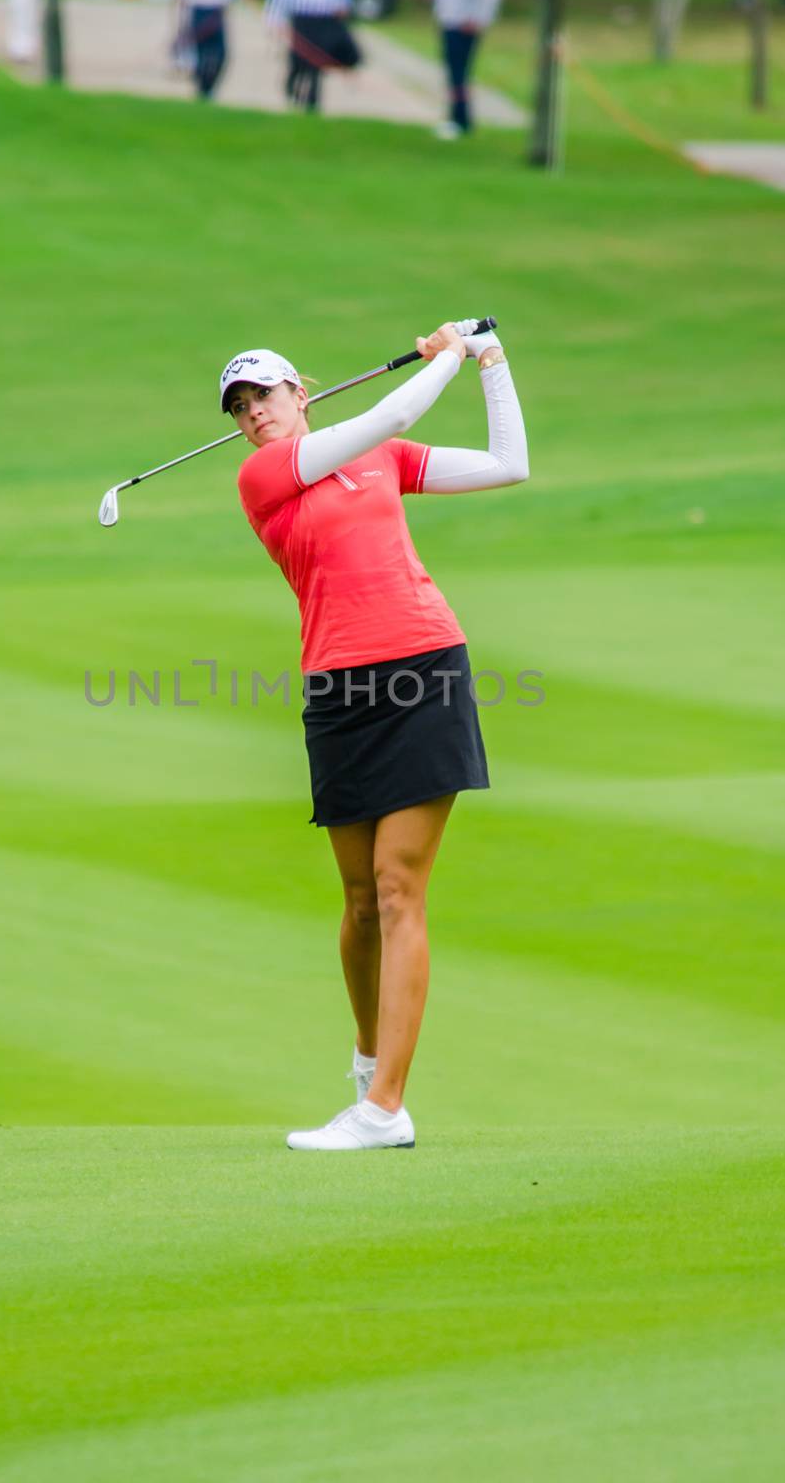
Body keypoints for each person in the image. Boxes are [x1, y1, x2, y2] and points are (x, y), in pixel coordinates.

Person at [222, 319, 530, 1150]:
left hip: (426, 667)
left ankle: (385, 1109)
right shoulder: (265, 479)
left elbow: (510, 464)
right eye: (240, 406)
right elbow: (389, 417)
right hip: (338, 689)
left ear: (303, 392)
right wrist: (449, 355)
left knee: (398, 889)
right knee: (359, 902)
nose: (254, 414)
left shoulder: (380, 461)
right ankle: (368, 1073)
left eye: (266, 396)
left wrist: (490, 361)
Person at [429, 0, 501, 140]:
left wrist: (478, 19)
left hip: (464, 25)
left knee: (460, 73)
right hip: (448, 23)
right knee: (452, 73)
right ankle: (456, 115)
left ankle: (460, 119)